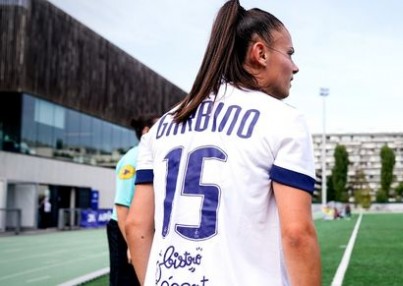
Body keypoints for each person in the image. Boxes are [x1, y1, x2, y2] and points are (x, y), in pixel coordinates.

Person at [126, 1, 321, 285]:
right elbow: (297, 234)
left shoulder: (162, 125)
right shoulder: (283, 120)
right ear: (260, 53)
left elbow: (136, 226)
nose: (295, 66)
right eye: (289, 54)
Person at [107, 114, 158, 286]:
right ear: (145, 131)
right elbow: (122, 207)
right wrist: (131, 245)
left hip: (141, 227)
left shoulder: (152, 156)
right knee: (123, 281)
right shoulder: (132, 158)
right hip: (123, 228)